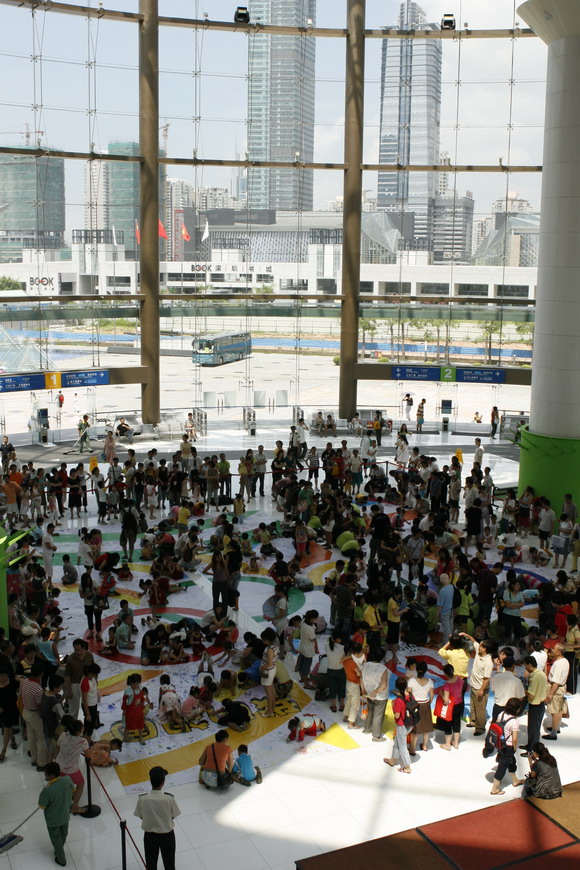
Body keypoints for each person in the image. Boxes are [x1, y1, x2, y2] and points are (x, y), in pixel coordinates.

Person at [135, 766, 181, 870]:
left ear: (150, 781)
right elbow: (173, 815)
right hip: (167, 836)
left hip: (150, 836)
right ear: (163, 782)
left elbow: (141, 815)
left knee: (151, 864)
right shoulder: (169, 799)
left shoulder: (142, 799)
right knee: (169, 864)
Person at [38, 761, 75, 867]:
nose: (45, 776)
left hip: (53, 819)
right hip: (65, 815)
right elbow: (73, 789)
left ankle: (61, 859)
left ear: (52, 775)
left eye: (46, 774)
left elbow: (42, 805)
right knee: (64, 834)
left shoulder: (47, 789)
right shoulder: (67, 780)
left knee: (55, 838)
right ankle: (58, 849)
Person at [489, 697, 526, 795]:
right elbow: (515, 739)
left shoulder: (501, 714)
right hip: (508, 746)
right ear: (517, 709)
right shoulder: (514, 721)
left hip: (500, 743)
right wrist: (514, 748)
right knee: (502, 766)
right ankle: (495, 788)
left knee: (512, 761)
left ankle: (515, 780)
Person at [56, 718, 89, 814]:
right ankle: (75, 807)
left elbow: (57, 747)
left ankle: (69, 796)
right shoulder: (83, 742)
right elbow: (88, 755)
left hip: (59, 765)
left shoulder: (63, 735)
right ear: (78, 732)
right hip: (71, 768)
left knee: (64, 783)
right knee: (80, 784)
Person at [462, 634, 493, 736]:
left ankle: (480, 728)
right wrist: (465, 635)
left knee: (480, 708)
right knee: (473, 705)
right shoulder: (479, 653)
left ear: (485, 649)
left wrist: (481, 689)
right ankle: (473, 721)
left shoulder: (488, 662)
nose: (478, 646)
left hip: (480, 687)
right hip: (473, 685)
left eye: (481, 645)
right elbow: (473, 640)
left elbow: (486, 678)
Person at [383, 677, 413, 773]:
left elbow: (397, 715)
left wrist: (393, 706)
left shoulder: (398, 701)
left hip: (401, 725)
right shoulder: (410, 695)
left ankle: (407, 767)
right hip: (410, 723)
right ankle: (392, 760)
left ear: (396, 686)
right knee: (396, 742)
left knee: (403, 746)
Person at [360, 648, 389, 742]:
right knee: (378, 715)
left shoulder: (365, 665)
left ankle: (367, 729)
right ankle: (376, 736)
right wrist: (375, 692)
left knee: (370, 711)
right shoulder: (382, 669)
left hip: (368, 693)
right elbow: (384, 685)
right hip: (380, 696)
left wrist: (363, 690)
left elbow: (361, 679)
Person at [543, 643, 570, 740]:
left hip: (556, 688)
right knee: (558, 708)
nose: (552, 650)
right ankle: (556, 727)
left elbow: (556, 681)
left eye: (554, 649)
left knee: (554, 710)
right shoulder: (565, 661)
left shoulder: (558, 664)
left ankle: (553, 733)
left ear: (558, 652)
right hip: (561, 687)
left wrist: (551, 693)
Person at [522, 656, 548, 753]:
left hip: (535, 705)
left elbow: (531, 695)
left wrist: (523, 689)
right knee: (533, 728)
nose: (525, 668)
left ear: (529, 665)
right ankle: (530, 745)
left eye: (525, 665)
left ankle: (532, 750)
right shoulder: (542, 674)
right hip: (540, 705)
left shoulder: (535, 677)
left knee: (534, 729)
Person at [407, 661, 434, 753]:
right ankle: (425, 746)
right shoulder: (430, 681)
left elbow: (408, 693)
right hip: (425, 704)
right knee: (426, 727)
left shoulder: (411, 681)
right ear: (426, 670)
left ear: (417, 670)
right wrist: (428, 704)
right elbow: (432, 696)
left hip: (415, 705)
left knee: (415, 728)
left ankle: (412, 749)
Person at [437, 664, 464, 751]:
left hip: (450, 707)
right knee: (457, 724)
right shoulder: (460, 679)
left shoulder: (447, 685)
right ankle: (456, 743)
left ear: (445, 674)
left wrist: (441, 694)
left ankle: (447, 745)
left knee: (448, 725)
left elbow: (446, 700)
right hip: (459, 704)